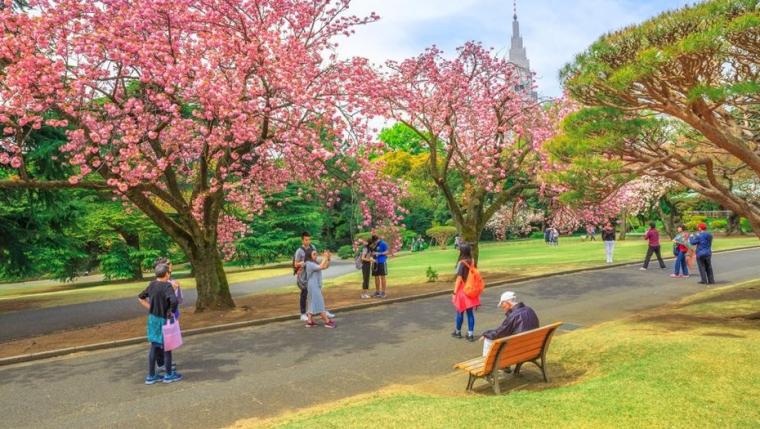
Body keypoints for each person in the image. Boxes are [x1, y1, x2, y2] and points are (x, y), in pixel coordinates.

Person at [138, 264, 181, 384]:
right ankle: (168, 375)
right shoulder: (167, 286)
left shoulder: (152, 284)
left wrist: (151, 307)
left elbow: (141, 297)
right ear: (167, 274)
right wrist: (171, 312)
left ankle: (151, 376)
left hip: (152, 319)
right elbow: (174, 301)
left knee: (154, 346)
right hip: (163, 319)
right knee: (167, 347)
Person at [480, 291, 539, 358]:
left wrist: (486, 334)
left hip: (519, 349)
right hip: (533, 346)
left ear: (507, 302)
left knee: (488, 340)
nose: (502, 306)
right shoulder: (529, 310)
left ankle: (487, 365)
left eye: (502, 304)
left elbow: (500, 333)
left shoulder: (514, 316)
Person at [293, 232, 335, 320]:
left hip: (313, 273)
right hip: (304, 276)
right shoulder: (299, 251)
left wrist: (326, 259)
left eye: (309, 239)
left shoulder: (313, 247)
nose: (308, 241)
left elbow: (316, 260)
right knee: (305, 293)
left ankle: (318, 312)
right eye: (306, 240)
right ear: (302, 240)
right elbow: (296, 264)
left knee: (316, 294)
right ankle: (303, 313)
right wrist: (304, 263)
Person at [450, 244, 481, 342]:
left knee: (460, 312)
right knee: (470, 313)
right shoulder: (472, 261)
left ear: (461, 251)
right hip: (471, 290)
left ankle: (458, 332)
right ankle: (470, 334)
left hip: (462, 290)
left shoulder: (462, 263)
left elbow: (459, 278)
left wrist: (454, 292)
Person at [303, 249, 336, 328]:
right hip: (313, 286)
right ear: (309, 255)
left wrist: (328, 258)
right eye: (314, 254)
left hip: (314, 285)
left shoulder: (313, 263)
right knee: (319, 302)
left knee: (312, 303)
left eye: (316, 254)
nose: (316, 255)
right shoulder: (309, 264)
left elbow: (325, 267)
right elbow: (321, 266)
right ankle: (327, 321)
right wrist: (325, 257)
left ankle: (309, 321)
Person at [372, 233, 389, 298]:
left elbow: (387, 251)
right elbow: (371, 251)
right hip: (375, 262)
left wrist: (379, 253)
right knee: (376, 277)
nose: (375, 242)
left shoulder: (383, 243)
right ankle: (377, 291)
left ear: (378, 239)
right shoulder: (373, 244)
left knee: (382, 277)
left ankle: (383, 292)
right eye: (374, 241)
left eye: (375, 241)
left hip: (382, 261)